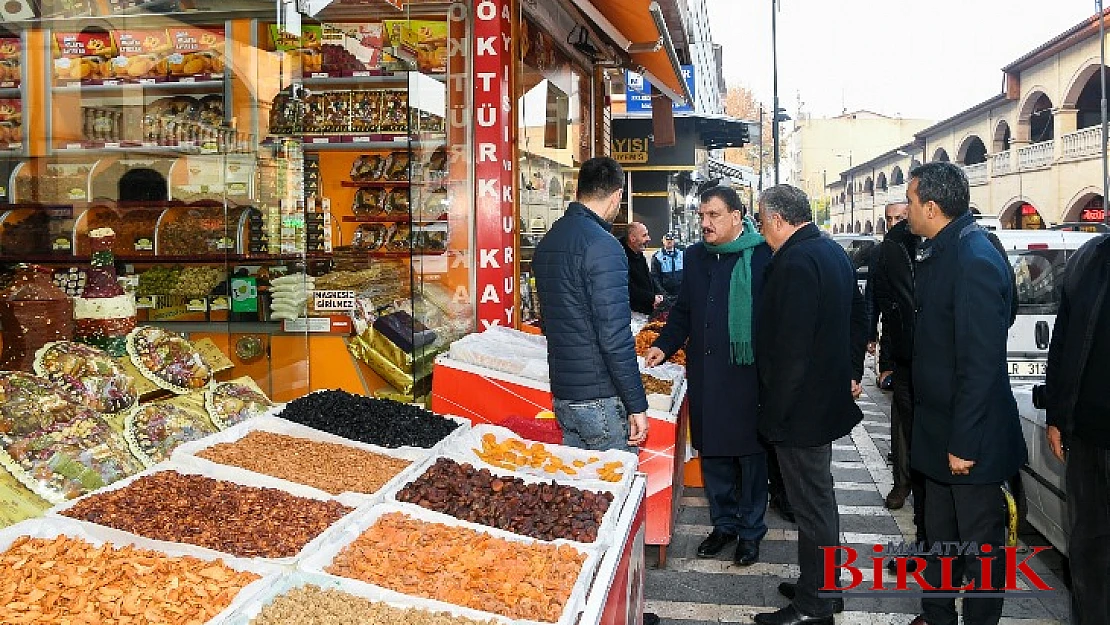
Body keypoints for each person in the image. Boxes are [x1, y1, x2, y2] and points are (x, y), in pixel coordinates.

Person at [532, 157, 659, 625]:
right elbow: (614, 335)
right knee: (612, 509)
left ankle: (578, 603)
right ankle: (618, 612)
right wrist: (636, 404)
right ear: (615, 196)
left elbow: (555, 325)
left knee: (577, 504)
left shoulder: (549, 244)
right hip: (600, 397)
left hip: (565, 393)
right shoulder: (602, 247)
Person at [904, 162, 1025, 625]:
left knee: (981, 551)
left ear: (932, 207)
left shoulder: (973, 255)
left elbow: (979, 363)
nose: (908, 211)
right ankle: (935, 616)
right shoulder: (943, 247)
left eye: (912, 203)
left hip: (967, 439)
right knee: (938, 541)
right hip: (940, 431)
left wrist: (963, 442)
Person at [754, 184, 865, 625]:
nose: (762, 232)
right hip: (822, 398)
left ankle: (815, 605)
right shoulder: (831, 251)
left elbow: (792, 349)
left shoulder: (797, 260)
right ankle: (821, 585)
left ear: (779, 220)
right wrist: (851, 369)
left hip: (801, 408)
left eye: (762, 223)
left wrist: (774, 415)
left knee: (812, 505)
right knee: (820, 500)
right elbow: (860, 315)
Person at [643, 186, 772, 566]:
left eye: (713, 215)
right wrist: (663, 346)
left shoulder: (762, 256)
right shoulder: (696, 257)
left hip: (749, 376)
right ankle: (724, 524)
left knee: (750, 459)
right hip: (707, 374)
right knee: (713, 454)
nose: (705, 223)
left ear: (737, 216)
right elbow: (683, 310)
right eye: (701, 216)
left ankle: (750, 532)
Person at [1042, 232, 1110, 625]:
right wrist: (1056, 415)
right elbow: (1063, 342)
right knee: (1089, 556)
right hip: (1086, 439)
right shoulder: (1090, 259)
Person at [872, 202, 922, 516]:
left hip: (934, 360)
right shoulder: (890, 251)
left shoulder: (941, 250)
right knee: (902, 425)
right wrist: (886, 360)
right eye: (889, 218)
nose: (895, 223)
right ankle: (902, 483)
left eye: (901, 216)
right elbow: (886, 309)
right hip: (904, 357)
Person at [620, 222, 662, 315]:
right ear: (632, 238)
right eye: (644, 235)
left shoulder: (638, 254)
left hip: (646, 311)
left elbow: (649, 278)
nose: (649, 238)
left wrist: (658, 296)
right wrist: (651, 298)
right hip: (631, 315)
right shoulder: (620, 257)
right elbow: (627, 287)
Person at [651, 231, 684, 303]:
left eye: (671, 240)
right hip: (666, 296)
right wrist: (663, 293)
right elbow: (655, 277)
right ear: (663, 241)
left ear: (674, 241)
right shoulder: (657, 257)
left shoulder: (681, 254)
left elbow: (688, 273)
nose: (669, 242)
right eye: (667, 240)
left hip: (681, 294)